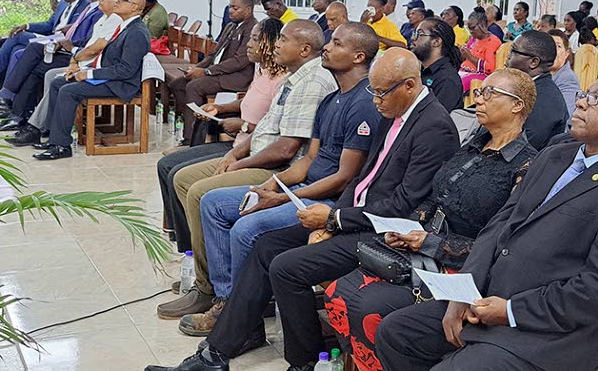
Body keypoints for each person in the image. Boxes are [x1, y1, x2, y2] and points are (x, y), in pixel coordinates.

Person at [144, 49, 460, 371]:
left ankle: (304, 363)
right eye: (373, 91)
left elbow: (402, 204)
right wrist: (332, 220)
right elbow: (362, 178)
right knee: (266, 245)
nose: (375, 100)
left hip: (385, 233)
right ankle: (216, 354)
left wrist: (335, 219)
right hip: (355, 217)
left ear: (409, 85)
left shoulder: (434, 127)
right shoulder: (394, 111)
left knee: (286, 268)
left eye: (381, 93)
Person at [376, 76, 598, 371]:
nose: (580, 103)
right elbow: (500, 224)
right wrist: (463, 293)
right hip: (488, 300)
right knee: (396, 334)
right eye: (583, 94)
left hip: (546, 331)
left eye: (596, 100)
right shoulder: (555, 156)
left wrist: (511, 311)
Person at [325, 69, 540, 371]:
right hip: (422, 250)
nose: (478, 99)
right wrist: (409, 228)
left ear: (517, 105)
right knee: (339, 291)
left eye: (489, 93)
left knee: (368, 307)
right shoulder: (473, 146)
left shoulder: (527, 165)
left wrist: (431, 243)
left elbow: (501, 242)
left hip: (463, 267)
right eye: (479, 91)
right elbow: (435, 198)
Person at [181, 23, 383, 335]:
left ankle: (243, 323)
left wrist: (284, 196)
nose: (327, 47)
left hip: (327, 200)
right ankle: (226, 298)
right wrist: (275, 184)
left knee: (246, 229)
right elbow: (309, 160)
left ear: (358, 57)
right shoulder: (332, 100)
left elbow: (344, 177)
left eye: (337, 44)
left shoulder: (363, 104)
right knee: (213, 203)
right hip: (302, 188)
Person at [157, 20, 337, 319]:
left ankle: (213, 290)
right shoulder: (295, 76)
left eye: (283, 39)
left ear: (305, 49)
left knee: (200, 192)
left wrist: (239, 163)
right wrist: (236, 152)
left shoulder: (313, 82)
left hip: (279, 167)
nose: (276, 44)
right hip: (258, 153)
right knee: (182, 177)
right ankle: (204, 273)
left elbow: (287, 149)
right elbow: (265, 127)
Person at [156, 19, 288, 254]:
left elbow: (274, 129)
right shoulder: (262, 70)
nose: (248, 44)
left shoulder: (282, 81)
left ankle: (194, 249)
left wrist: (243, 125)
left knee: (179, 174)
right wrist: (220, 108)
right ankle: (183, 239)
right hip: (238, 143)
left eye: (255, 39)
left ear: (270, 43)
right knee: (166, 165)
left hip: (251, 149)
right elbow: (247, 102)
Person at [32, 0, 151, 160]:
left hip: (120, 85)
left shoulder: (136, 33)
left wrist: (89, 75)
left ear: (135, 7)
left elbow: (126, 70)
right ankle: (54, 137)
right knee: (58, 83)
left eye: (123, 0)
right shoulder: (125, 26)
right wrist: (85, 70)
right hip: (110, 78)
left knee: (69, 91)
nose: (118, 1)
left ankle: (62, 146)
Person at [4, 0, 128, 146]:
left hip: (92, 66)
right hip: (80, 58)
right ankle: (34, 121)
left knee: (52, 75)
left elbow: (96, 49)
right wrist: (71, 54)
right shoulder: (103, 17)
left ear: (118, 1)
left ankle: (36, 125)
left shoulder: (116, 21)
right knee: (38, 63)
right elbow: (86, 42)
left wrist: (73, 53)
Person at [167, 0, 259, 144]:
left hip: (236, 78)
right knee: (178, 84)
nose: (230, 11)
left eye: (235, 8)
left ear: (248, 9)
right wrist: (196, 68)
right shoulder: (230, 26)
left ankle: (192, 138)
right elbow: (213, 54)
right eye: (230, 7)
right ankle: (190, 125)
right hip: (219, 73)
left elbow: (240, 61)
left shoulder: (252, 28)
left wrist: (207, 72)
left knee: (194, 87)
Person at [0, 0, 89, 85]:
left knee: (19, 36)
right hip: (50, 37)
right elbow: (49, 25)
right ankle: (5, 88)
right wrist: (27, 26)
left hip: (60, 41)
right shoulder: (63, 4)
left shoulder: (85, 7)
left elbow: (77, 32)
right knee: (16, 48)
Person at [505, 30, 568, 150]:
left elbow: (523, 147)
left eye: (513, 51)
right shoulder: (525, 87)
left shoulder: (547, 99)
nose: (508, 56)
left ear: (534, 62)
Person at [412, 17, 464, 111]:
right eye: (414, 34)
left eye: (420, 34)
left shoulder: (447, 80)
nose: (413, 38)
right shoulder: (421, 71)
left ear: (436, 42)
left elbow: (435, 117)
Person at [458, 10, 503, 91]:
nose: (471, 32)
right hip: (464, 71)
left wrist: (470, 57)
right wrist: (462, 53)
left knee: (457, 84)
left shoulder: (493, 41)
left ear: (482, 25)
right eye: (469, 29)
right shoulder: (473, 39)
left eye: (473, 28)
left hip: (481, 76)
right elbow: (464, 59)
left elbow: (490, 69)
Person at [548, 29, 580, 117]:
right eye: (549, 45)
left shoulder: (568, 79)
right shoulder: (539, 73)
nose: (553, 50)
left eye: (558, 46)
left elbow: (565, 116)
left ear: (567, 53)